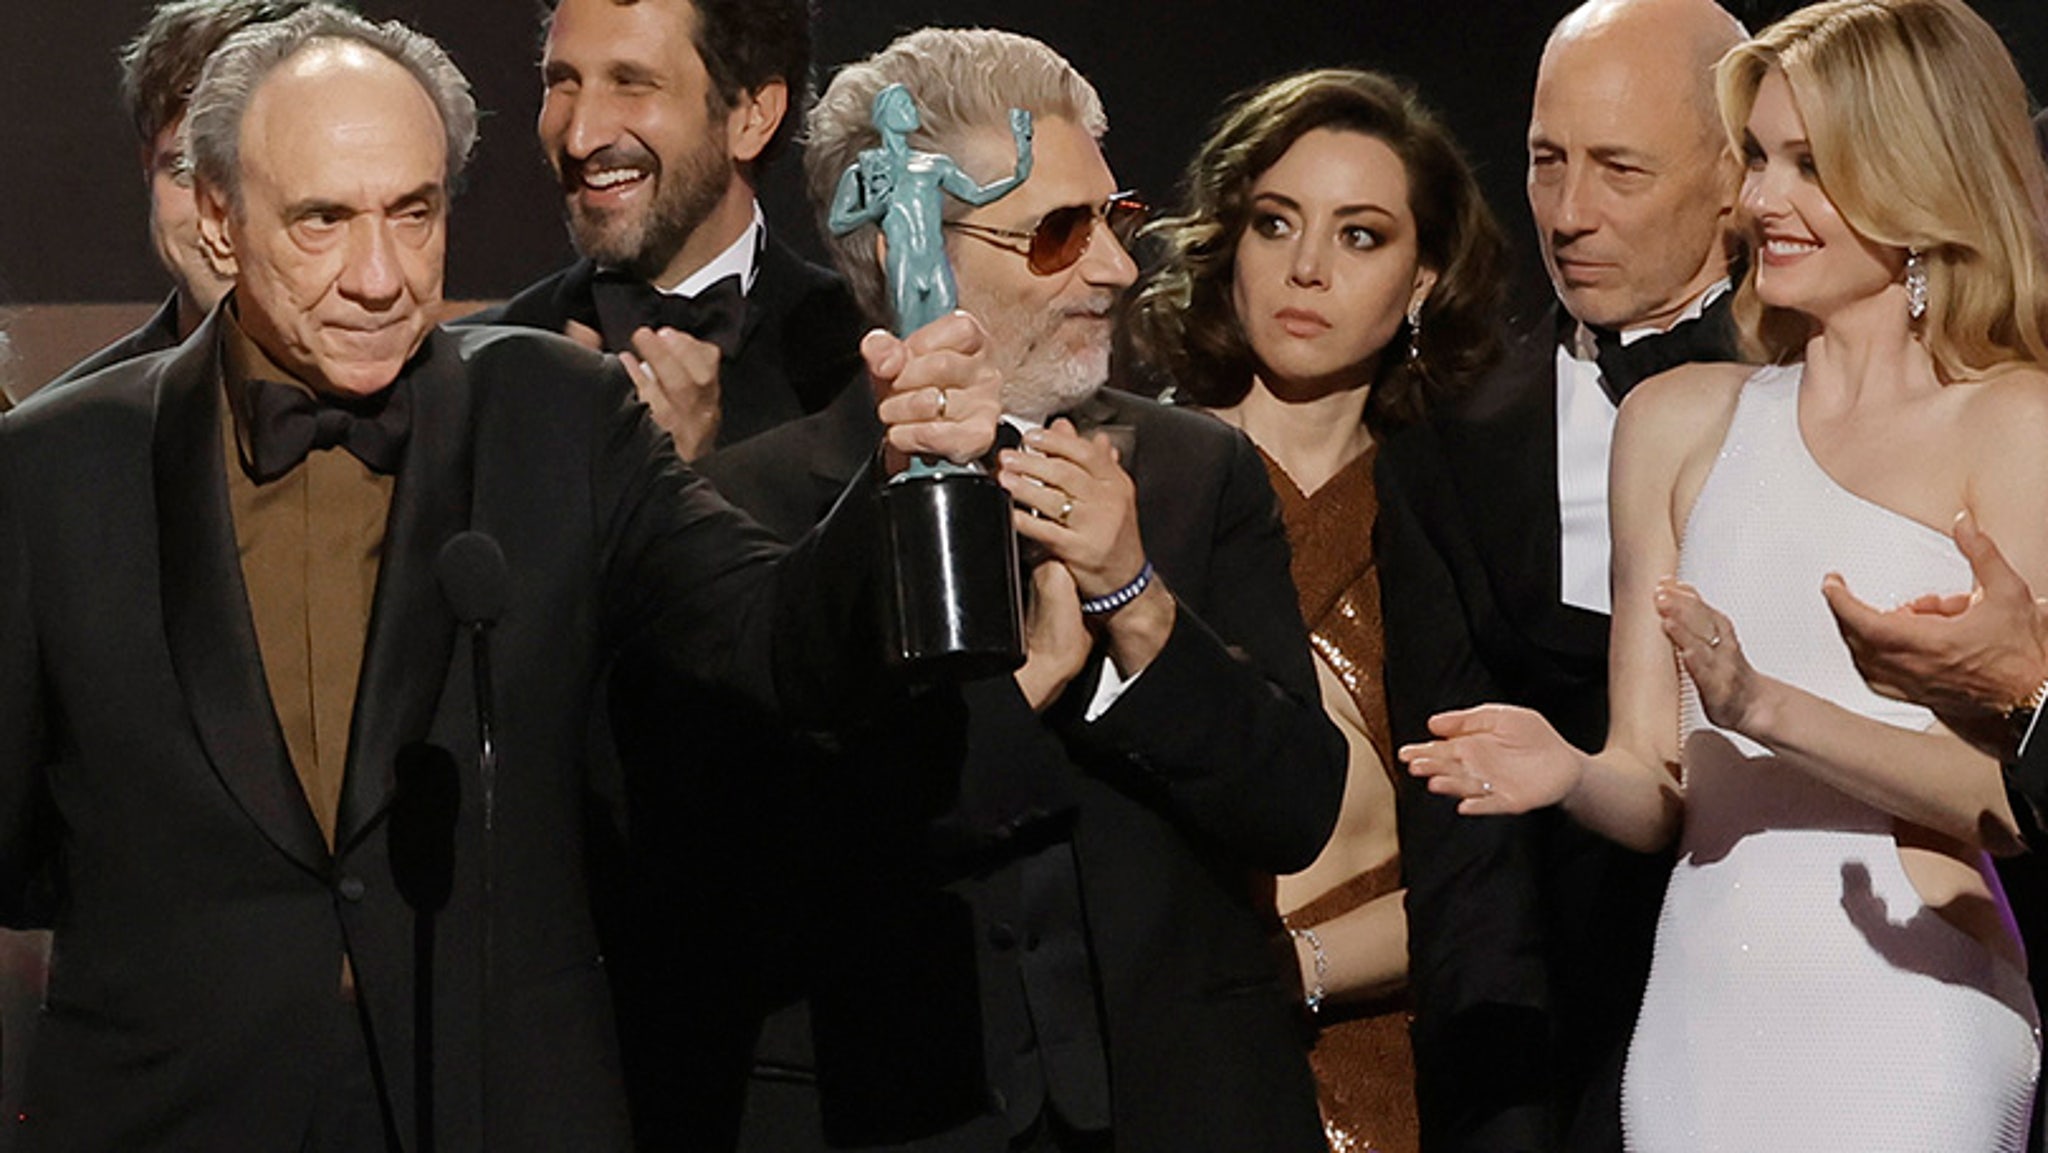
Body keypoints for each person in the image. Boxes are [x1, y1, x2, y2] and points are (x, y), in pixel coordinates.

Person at [0, 6, 1003, 1150]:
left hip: (495, 1104)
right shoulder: (54, 469)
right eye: (324, 220)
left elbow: (772, 639)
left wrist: (907, 477)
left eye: (413, 215)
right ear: (220, 217)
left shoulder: (557, 414)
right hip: (167, 1113)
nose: (379, 276)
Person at [1404, 0, 2048, 1146]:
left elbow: (2005, 797)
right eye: (1755, 157)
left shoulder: (2012, 424)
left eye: (1807, 164)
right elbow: (1655, 788)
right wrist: (1563, 771)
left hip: (1912, 1005)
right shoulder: (1677, 422)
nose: (1756, 200)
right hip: (1701, 1009)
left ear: (1915, 178)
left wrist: (1765, 707)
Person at [697, 27, 1347, 1152]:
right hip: (899, 1112)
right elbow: (751, 875)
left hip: (1187, 1109)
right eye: (1058, 232)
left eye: (1116, 219)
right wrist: (1027, 691)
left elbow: (1296, 806)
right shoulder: (756, 507)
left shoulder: (1196, 475)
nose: (1114, 267)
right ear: (911, 249)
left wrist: (1135, 598)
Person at [1370, 1, 1746, 1147]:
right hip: (1570, 1045)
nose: (1569, 215)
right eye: (1545, 162)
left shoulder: (1838, 391)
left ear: (1735, 175)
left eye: (1619, 169)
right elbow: (1461, 842)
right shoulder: (1450, 429)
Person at [1125, 68, 1506, 1153]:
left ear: (1422, 277)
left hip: (1395, 1071)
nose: (1303, 269)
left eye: (1359, 236)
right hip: (1155, 1064)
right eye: (1274, 222)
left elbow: (1482, 872)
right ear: (1225, 242)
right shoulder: (1117, 483)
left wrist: (1301, 970)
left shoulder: (1464, 523)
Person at [466, 0, 865, 461]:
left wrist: (686, 482)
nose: (580, 137)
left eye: (631, 84)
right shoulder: (482, 369)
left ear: (753, 116)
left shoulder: (860, 368)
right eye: (563, 82)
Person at [49, 0, 311, 388]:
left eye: (256, 175)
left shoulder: (432, 409)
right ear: (147, 166)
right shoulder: (65, 432)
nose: (219, 220)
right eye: (187, 172)